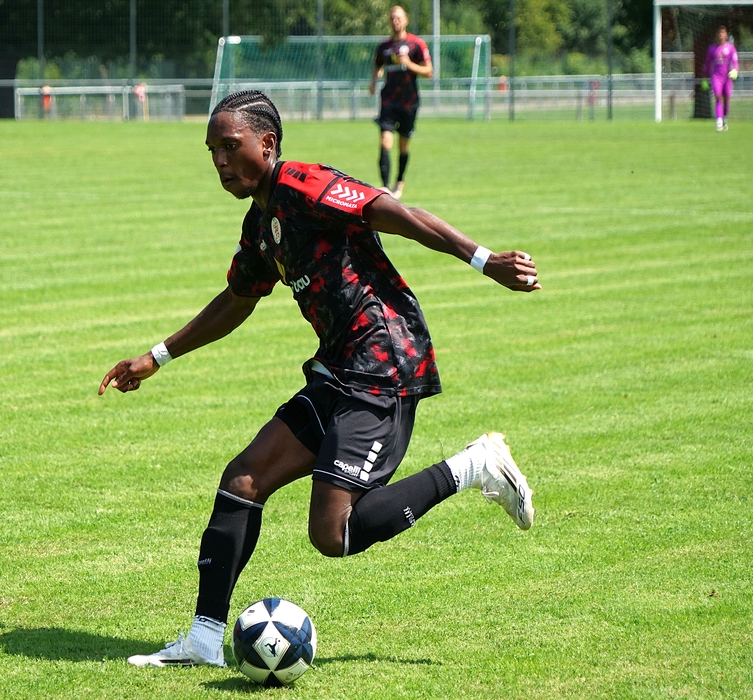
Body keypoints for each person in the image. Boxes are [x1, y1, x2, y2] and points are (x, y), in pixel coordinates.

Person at [99, 90, 540, 668]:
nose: (221, 161)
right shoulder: (261, 224)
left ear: (267, 143)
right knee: (243, 480)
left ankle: (473, 466)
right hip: (338, 366)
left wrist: (484, 260)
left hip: (382, 361)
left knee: (332, 534)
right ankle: (204, 640)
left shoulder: (304, 184)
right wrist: (158, 356)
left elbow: (391, 211)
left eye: (230, 146)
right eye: (212, 152)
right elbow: (237, 299)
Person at [369, 6, 433, 200]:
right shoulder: (384, 47)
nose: (395, 21)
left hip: (409, 102)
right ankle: (385, 187)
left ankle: (399, 181)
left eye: (398, 17)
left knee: (403, 146)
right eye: (392, 18)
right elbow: (377, 65)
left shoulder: (416, 44)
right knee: (385, 141)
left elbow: (429, 72)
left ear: (406, 20)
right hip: (389, 99)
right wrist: (373, 82)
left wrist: (409, 64)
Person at [703, 25, 739, 131]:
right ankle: (719, 122)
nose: (720, 34)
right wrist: (704, 77)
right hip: (716, 77)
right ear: (716, 35)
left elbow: (735, 61)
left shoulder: (731, 48)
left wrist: (735, 70)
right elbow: (707, 64)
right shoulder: (712, 49)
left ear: (726, 34)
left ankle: (724, 118)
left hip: (727, 77)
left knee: (726, 98)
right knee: (718, 97)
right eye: (719, 32)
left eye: (723, 32)